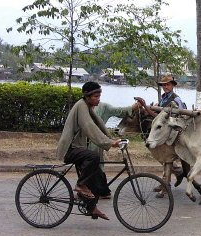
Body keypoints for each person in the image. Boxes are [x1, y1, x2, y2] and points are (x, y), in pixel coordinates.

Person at [56, 81, 121, 220]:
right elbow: (89, 127)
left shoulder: (87, 107)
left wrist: (112, 139)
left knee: (96, 175)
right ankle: (80, 185)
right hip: (70, 149)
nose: (98, 99)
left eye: (99, 96)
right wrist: (108, 143)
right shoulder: (81, 106)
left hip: (78, 149)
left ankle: (91, 207)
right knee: (93, 157)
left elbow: (99, 123)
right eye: (96, 96)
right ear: (87, 96)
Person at [89, 98, 147, 199]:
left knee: (97, 165)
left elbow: (118, 111)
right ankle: (95, 190)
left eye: (98, 95)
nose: (97, 98)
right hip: (83, 141)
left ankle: (102, 191)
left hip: (98, 142)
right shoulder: (83, 108)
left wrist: (132, 107)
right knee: (89, 165)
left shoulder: (103, 107)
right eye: (94, 95)